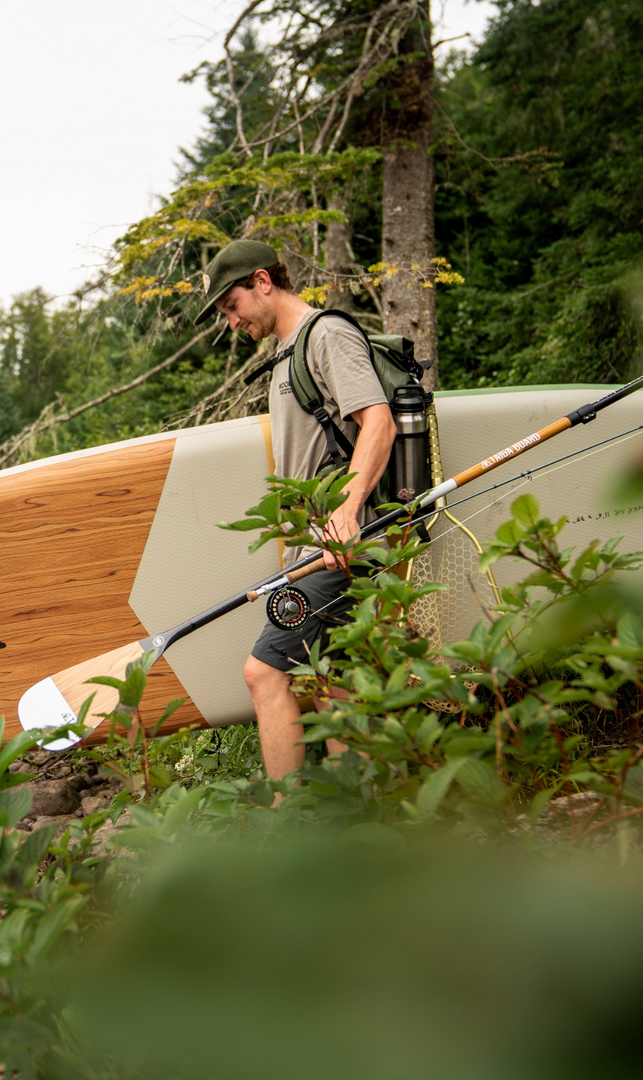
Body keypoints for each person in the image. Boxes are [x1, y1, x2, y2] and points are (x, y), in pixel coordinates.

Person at [194, 240, 396, 780]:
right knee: (336, 682)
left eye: (232, 306)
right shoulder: (286, 352)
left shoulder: (326, 335)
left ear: (263, 281)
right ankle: (357, 813)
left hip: (343, 542)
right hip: (317, 549)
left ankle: (287, 823)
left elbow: (378, 422)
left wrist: (347, 512)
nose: (231, 322)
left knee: (263, 674)